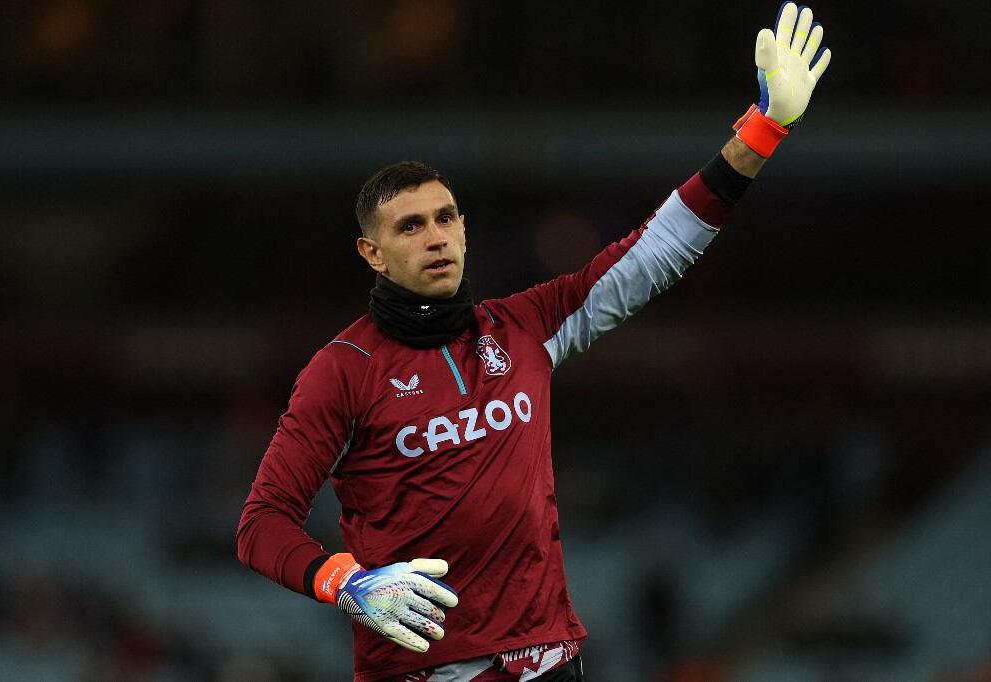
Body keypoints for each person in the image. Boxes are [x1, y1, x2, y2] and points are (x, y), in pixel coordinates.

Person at [236, 3, 832, 680]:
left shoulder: (524, 326)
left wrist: (766, 126)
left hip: (548, 662)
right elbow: (261, 524)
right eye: (409, 227)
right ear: (371, 253)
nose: (435, 236)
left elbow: (655, 251)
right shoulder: (342, 371)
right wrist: (342, 581)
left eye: (446, 217)